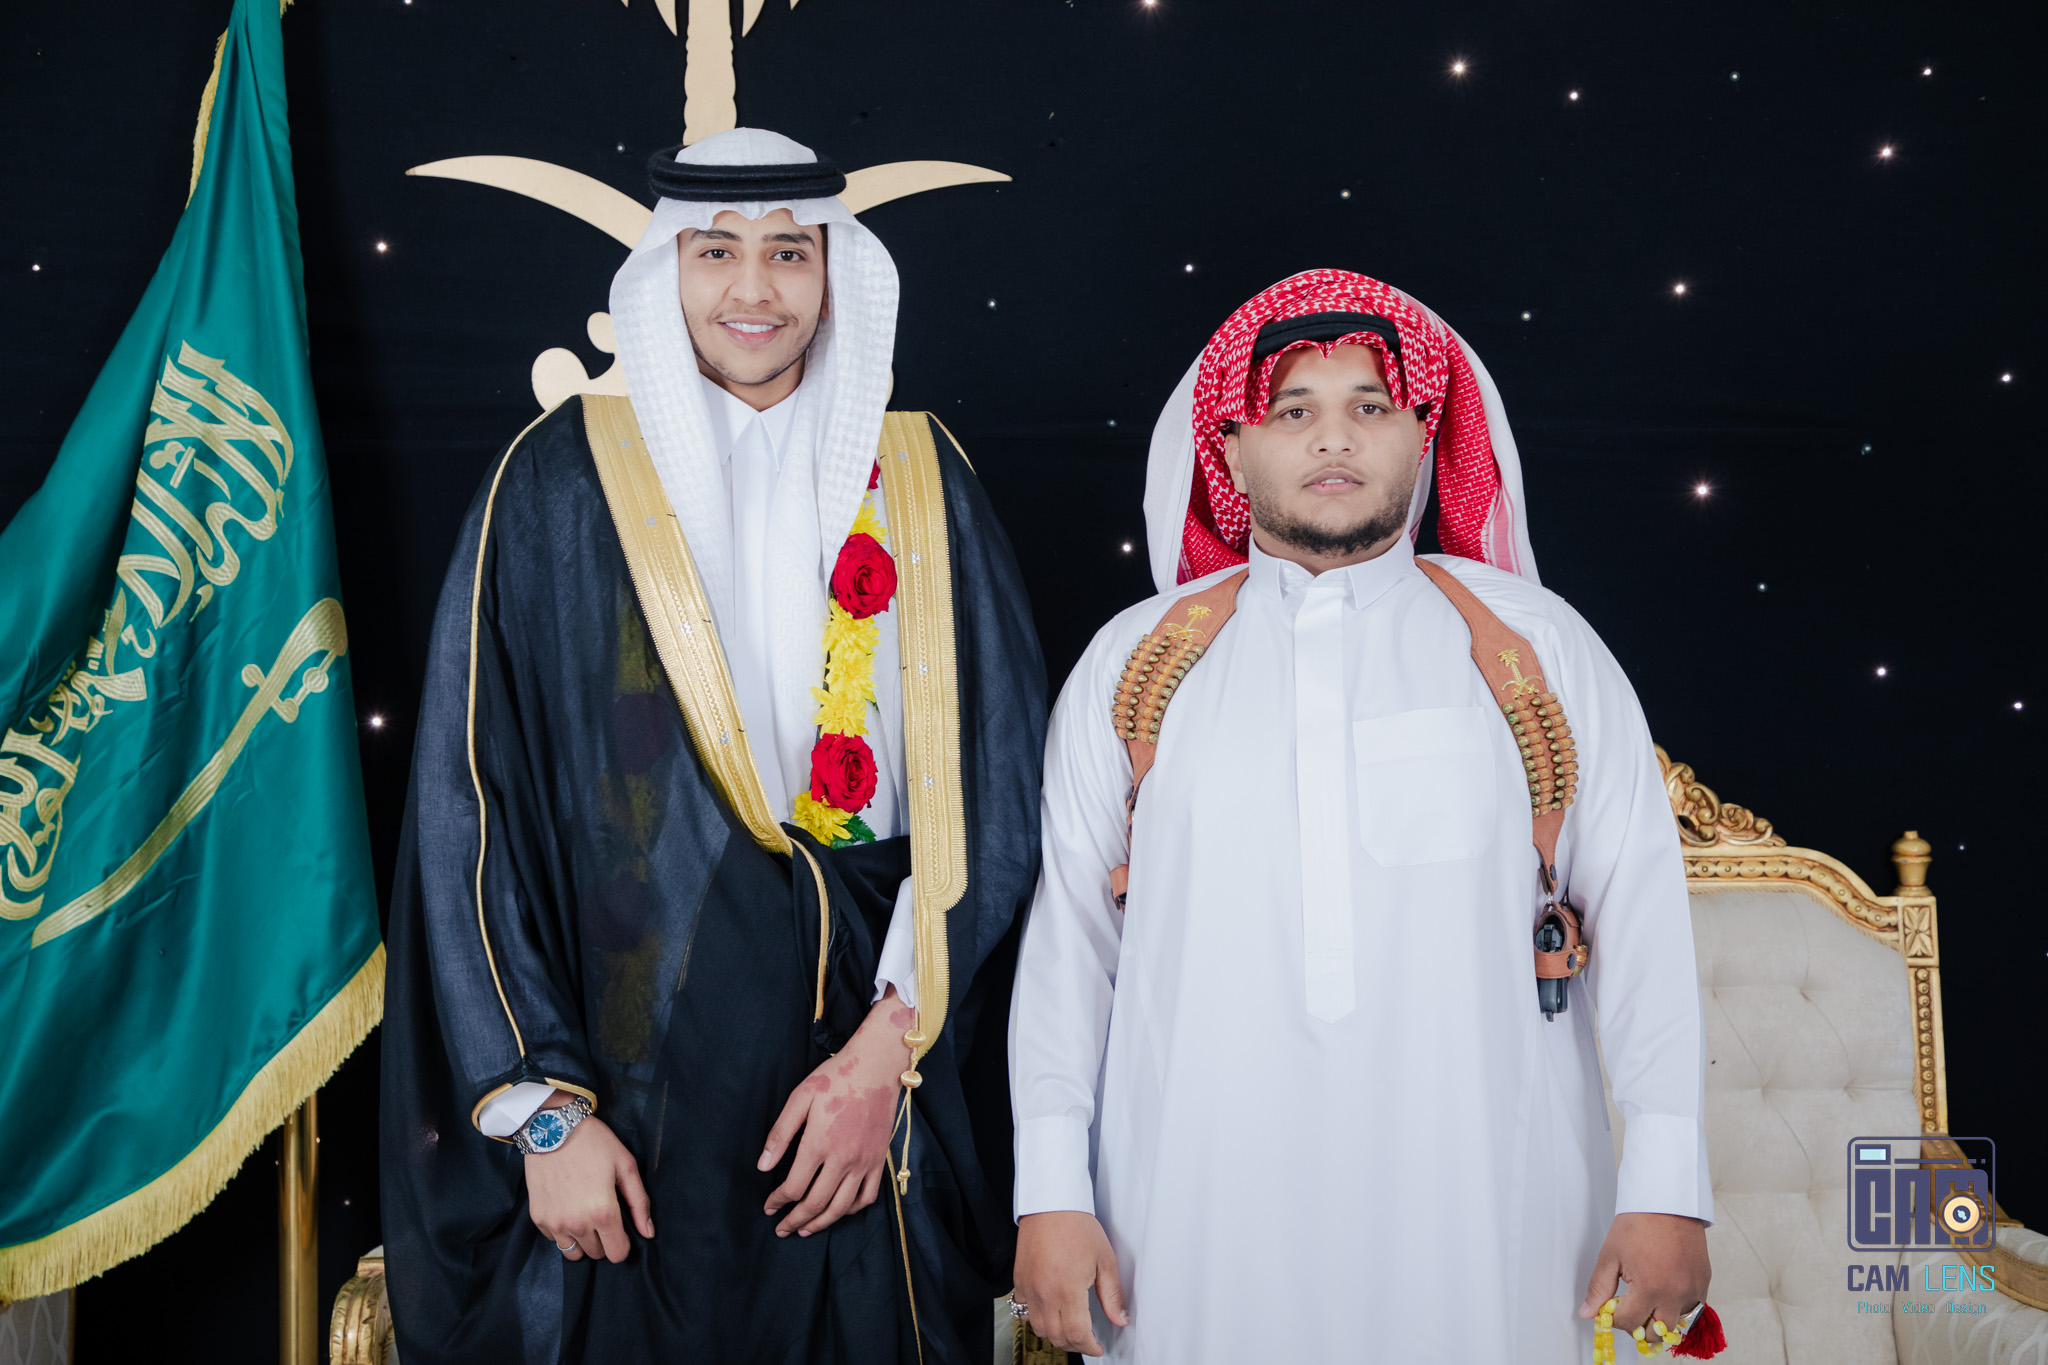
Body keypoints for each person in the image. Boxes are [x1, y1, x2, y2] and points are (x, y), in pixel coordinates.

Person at [381, 127, 1046, 1364]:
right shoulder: (556, 481)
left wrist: (886, 1058)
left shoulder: (920, 476)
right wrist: (544, 1117)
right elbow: (470, 808)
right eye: (715, 251)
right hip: (630, 1080)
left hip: (866, 1076)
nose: (754, 288)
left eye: (789, 252)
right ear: (662, 271)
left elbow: (999, 791)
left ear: (834, 273)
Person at [1007, 271, 1713, 1362]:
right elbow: (1069, 949)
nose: (1333, 438)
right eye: (1292, 409)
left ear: (1424, 435)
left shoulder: (1537, 651)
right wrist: (1050, 1191)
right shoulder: (1136, 665)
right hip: (1191, 1218)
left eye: (1369, 406)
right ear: (1230, 447)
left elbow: (1644, 923)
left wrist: (1666, 1185)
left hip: (1488, 1212)